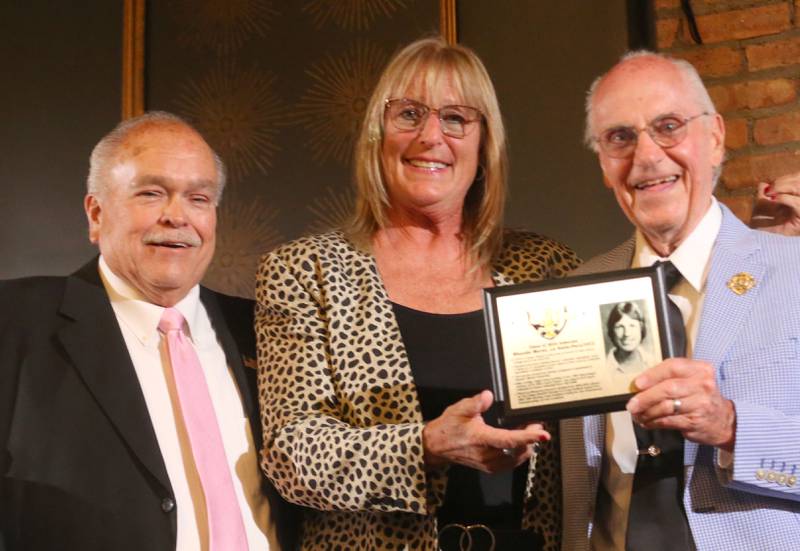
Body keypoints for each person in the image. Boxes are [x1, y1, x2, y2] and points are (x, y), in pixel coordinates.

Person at [256, 37, 578, 551]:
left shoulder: (547, 268)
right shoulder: (306, 270)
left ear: (483, 144)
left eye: (456, 118)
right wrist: (425, 446)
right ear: (377, 135)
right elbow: (292, 457)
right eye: (409, 113)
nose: (432, 136)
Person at [0, 112, 297, 551]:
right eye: (151, 194)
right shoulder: (15, 321)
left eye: (199, 198)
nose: (177, 216)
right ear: (96, 214)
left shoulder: (264, 331)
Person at [560, 51, 800, 551]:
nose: (646, 156)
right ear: (604, 165)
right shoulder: (578, 291)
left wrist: (733, 426)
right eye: (620, 137)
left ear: (714, 137)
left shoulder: (793, 270)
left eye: (668, 126)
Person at [604, 301, 652, 380]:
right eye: (620, 327)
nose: (626, 333)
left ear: (641, 329)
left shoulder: (653, 361)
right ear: (612, 331)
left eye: (632, 326)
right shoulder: (604, 366)